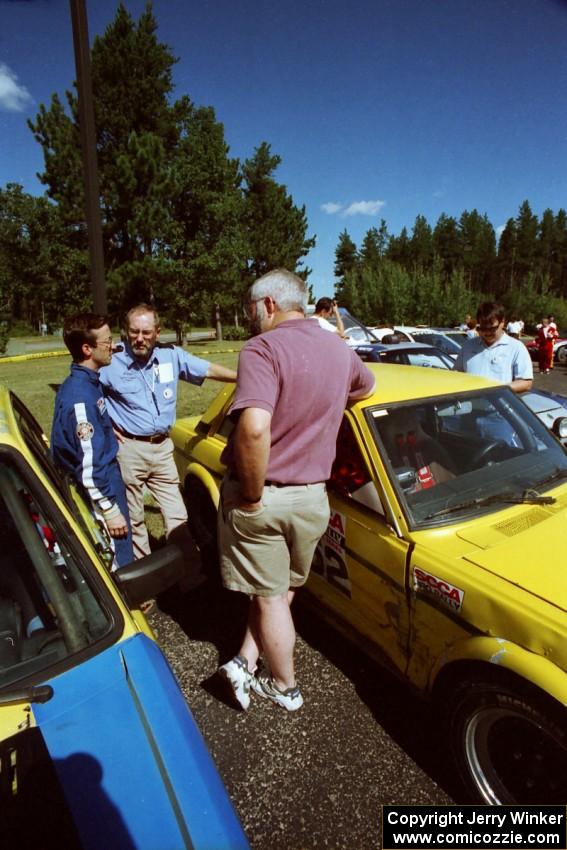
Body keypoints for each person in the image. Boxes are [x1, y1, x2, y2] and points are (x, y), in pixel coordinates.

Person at [217, 269, 375, 712]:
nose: (250, 318)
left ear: (268, 304)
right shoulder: (339, 349)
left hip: (264, 496)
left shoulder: (262, 348)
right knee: (282, 589)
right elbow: (367, 387)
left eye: (251, 309)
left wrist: (248, 496)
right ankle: (246, 661)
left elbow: (252, 430)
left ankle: (285, 687)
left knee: (269, 595)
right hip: (312, 500)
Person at [99, 304, 236, 570]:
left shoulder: (170, 355)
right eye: (133, 332)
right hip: (129, 449)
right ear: (125, 332)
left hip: (162, 448)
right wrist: (105, 424)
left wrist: (245, 377)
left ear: (158, 332)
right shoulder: (111, 361)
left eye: (146, 332)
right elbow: (85, 390)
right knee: (135, 518)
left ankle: (189, 574)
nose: (139, 338)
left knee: (178, 515)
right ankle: (147, 576)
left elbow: (208, 370)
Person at [51, 313, 133, 567]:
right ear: (87, 349)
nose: (113, 347)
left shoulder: (87, 384)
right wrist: (109, 511)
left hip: (108, 482)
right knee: (117, 563)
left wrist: (107, 430)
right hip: (100, 492)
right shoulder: (80, 398)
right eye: (107, 341)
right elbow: (89, 467)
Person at [453, 301, 533, 393]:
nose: (487, 333)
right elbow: (456, 373)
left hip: (500, 406)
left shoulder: (516, 347)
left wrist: (495, 391)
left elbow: (526, 382)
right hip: (470, 405)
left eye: (492, 328)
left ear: (502, 322)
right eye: (482, 328)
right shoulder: (468, 346)